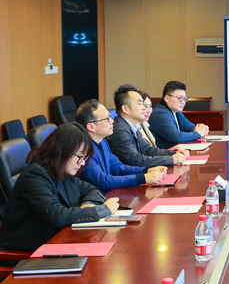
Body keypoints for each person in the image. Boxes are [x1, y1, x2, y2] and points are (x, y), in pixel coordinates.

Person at [0, 123, 119, 253]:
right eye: (80, 156)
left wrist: (87, 205)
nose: (83, 163)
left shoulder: (63, 171)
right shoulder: (34, 175)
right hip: (30, 252)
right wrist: (102, 210)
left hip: (60, 241)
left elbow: (92, 190)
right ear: (63, 151)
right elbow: (57, 216)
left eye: (85, 158)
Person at [76, 99, 167, 193]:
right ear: (91, 127)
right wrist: (143, 178)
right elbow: (104, 181)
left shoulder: (102, 141)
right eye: (106, 119)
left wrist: (147, 170)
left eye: (110, 116)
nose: (112, 121)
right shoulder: (83, 150)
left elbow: (118, 168)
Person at [106, 84, 188, 167]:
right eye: (140, 104)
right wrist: (171, 159)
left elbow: (147, 150)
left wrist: (173, 153)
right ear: (125, 109)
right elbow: (136, 160)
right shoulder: (119, 130)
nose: (144, 108)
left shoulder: (131, 125)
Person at [149, 81, 209, 149]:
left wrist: (201, 128)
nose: (183, 102)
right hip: (167, 153)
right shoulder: (160, 114)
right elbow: (177, 137)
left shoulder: (177, 112)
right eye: (180, 98)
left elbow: (189, 127)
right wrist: (198, 134)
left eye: (185, 99)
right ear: (167, 98)